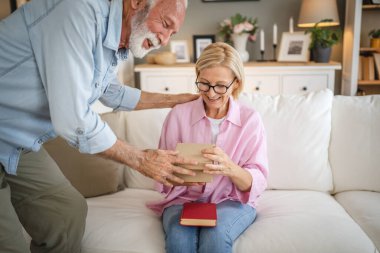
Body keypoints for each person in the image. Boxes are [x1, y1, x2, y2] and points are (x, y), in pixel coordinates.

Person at [0, 0, 199, 252]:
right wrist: (141, 159)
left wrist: (175, 100)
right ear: (137, 3)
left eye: (172, 33)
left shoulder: (113, 38)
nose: (164, 39)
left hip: (14, 141)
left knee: (65, 214)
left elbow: (110, 91)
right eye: (165, 24)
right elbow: (74, 120)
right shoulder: (78, 11)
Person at [147, 42, 269, 253]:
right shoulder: (178, 115)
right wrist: (177, 174)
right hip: (183, 198)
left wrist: (230, 168)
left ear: (236, 84)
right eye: (204, 83)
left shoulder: (250, 120)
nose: (211, 93)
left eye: (221, 86)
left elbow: (257, 180)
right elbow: (162, 177)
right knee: (179, 239)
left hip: (231, 201)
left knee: (216, 235)